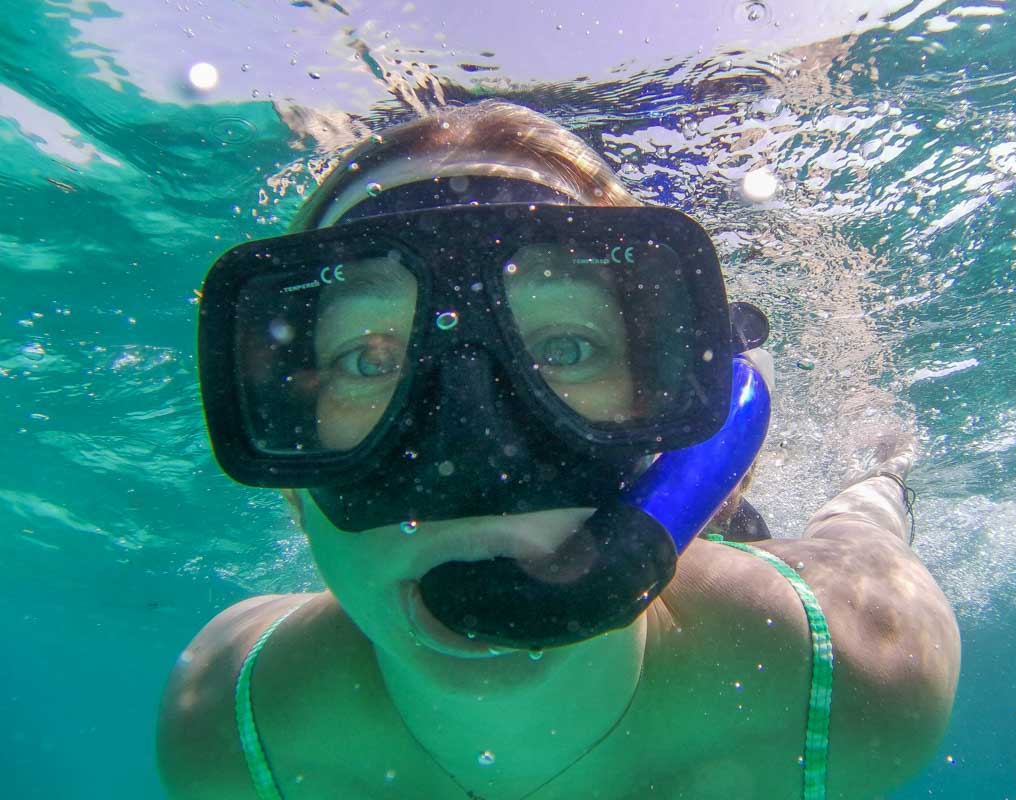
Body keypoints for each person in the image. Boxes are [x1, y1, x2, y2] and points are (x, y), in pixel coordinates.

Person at [157, 100, 960, 800]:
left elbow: (866, 575)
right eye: (369, 362)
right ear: (291, 477)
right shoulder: (224, 734)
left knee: (861, 512)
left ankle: (879, 472)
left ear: (661, 419)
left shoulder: (855, 681)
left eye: (567, 348)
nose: (468, 457)